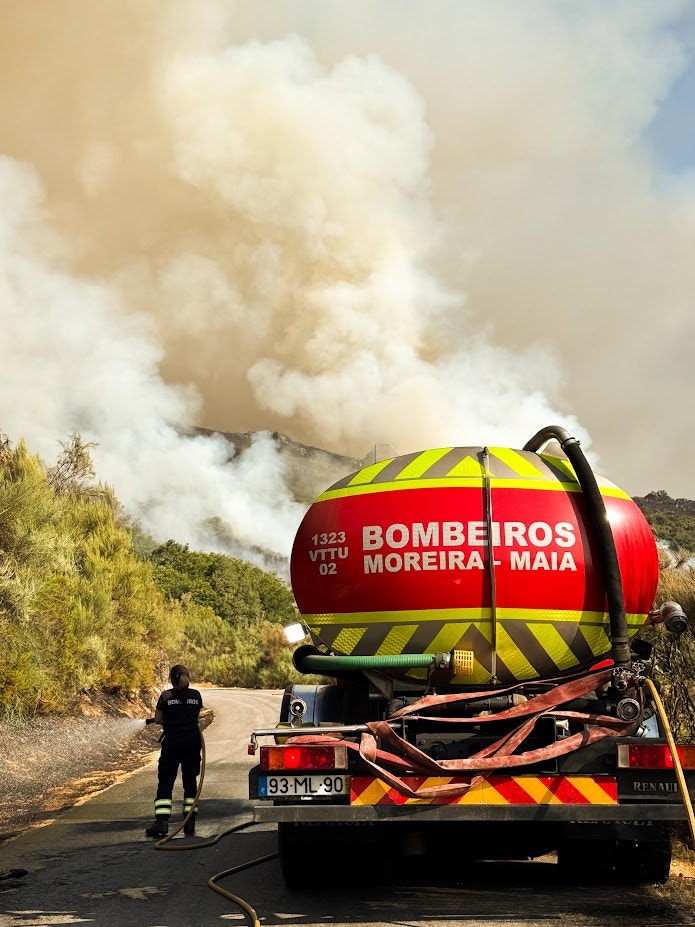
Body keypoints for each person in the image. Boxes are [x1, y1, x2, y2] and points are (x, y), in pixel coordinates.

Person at [144, 664, 206, 838]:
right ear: (188, 677)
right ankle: (190, 821)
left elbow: (158, 719)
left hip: (172, 744)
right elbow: (194, 716)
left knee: (166, 780)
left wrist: (171, 719)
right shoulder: (196, 695)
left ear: (171, 679)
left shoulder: (166, 696)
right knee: (190, 781)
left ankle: (162, 822)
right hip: (192, 743)